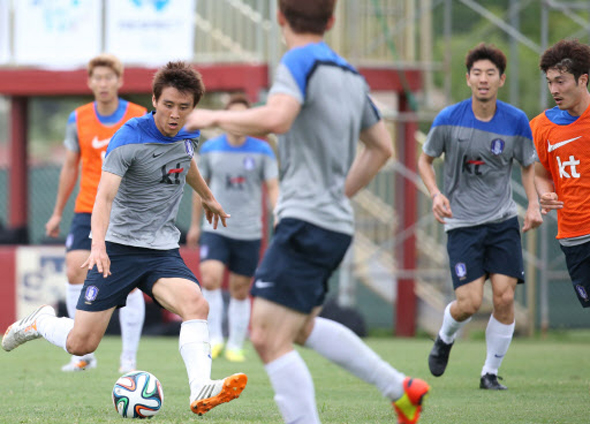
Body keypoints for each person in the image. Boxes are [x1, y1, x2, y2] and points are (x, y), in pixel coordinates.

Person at [185, 1, 430, 423]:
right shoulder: (351, 76)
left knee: (264, 335)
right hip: (331, 223)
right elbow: (381, 148)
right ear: (331, 20)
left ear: (280, 18)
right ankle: (400, 388)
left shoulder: (298, 60)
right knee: (298, 328)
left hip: (306, 223)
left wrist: (211, 115)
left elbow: (278, 118)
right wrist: (338, 193)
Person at [3, 61, 247, 415]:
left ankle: (200, 389)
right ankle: (41, 321)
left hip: (161, 248)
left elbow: (186, 158)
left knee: (196, 305)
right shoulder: (129, 137)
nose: (175, 115)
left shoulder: (190, 132)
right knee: (81, 344)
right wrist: (98, 246)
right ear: (154, 100)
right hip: (117, 249)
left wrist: (207, 195)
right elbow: (103, 197)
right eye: (168, 105)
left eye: (184, 107)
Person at [417, 43, 543, 390]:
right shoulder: (448, 119)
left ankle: (489, 373)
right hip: (462, 224)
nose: (483, 79)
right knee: (469, 303)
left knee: (504, 297)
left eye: (490, 73)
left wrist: (532, 205)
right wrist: (436, 194)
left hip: (502, 221)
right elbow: (424, 161)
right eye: (477, 73)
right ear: (468, 79)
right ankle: (445, 337)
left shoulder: (516, 120)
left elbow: (529, 166)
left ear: (501, 79)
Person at [45, 54, 147, 373]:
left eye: (109, 77)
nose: (103, 83)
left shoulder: (138, 116)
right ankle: (82, 355)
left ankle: (128, 358)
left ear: (119, 81)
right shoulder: (78, 118)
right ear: (90, 83)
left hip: (126, 208)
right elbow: (70, 166)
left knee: (128, 281)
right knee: (75, 269)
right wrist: (56, 213)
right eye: (97, 78)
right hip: (88, 205)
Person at [185, 93, 279, 363]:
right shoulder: (212, 148)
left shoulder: (262, 150)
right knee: (211, 278)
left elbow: (272, 186)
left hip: (249, 230)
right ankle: (215, 338)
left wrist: (278, 214)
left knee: (240, 289)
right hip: (215, 227)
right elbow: (199, 191)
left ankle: (236, 344)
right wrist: (194, 225)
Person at [530, 39, 590, 311]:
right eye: (550, 82)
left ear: (583, 80)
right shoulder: (541, 127)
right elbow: (541, 174)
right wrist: (545, 194)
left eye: (561, 81)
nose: (554, 89)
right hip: (574, 235)